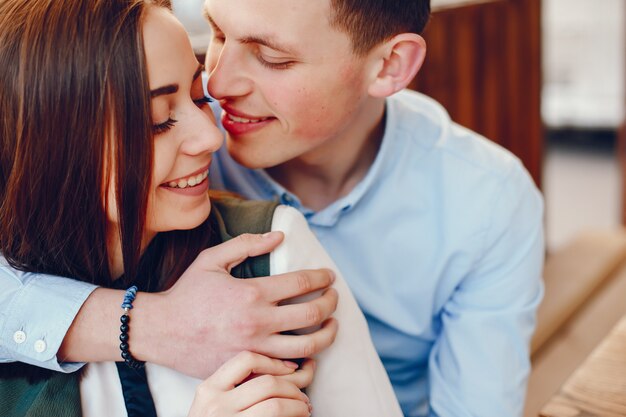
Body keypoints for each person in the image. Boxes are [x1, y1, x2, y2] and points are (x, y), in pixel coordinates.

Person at [0, 0, 545, 416]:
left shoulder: (487, 202)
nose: (217, 84)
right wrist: (150, 324)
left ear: (390, 66)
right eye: (214, 32)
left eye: (272, 58)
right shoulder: (167, 133)